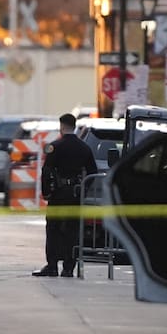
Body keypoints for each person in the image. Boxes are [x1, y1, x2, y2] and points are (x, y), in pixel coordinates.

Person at [33, 113, 97, 278]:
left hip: (58, 194)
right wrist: (83, 189)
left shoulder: (55, 146)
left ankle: (52, 265)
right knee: (72, 230)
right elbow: (93, 173)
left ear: (61, 126)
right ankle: (69, 268)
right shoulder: (84, 148)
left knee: (53, 228)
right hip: (75, 194)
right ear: (74, 126)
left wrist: (46, 192)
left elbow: (46, 171)